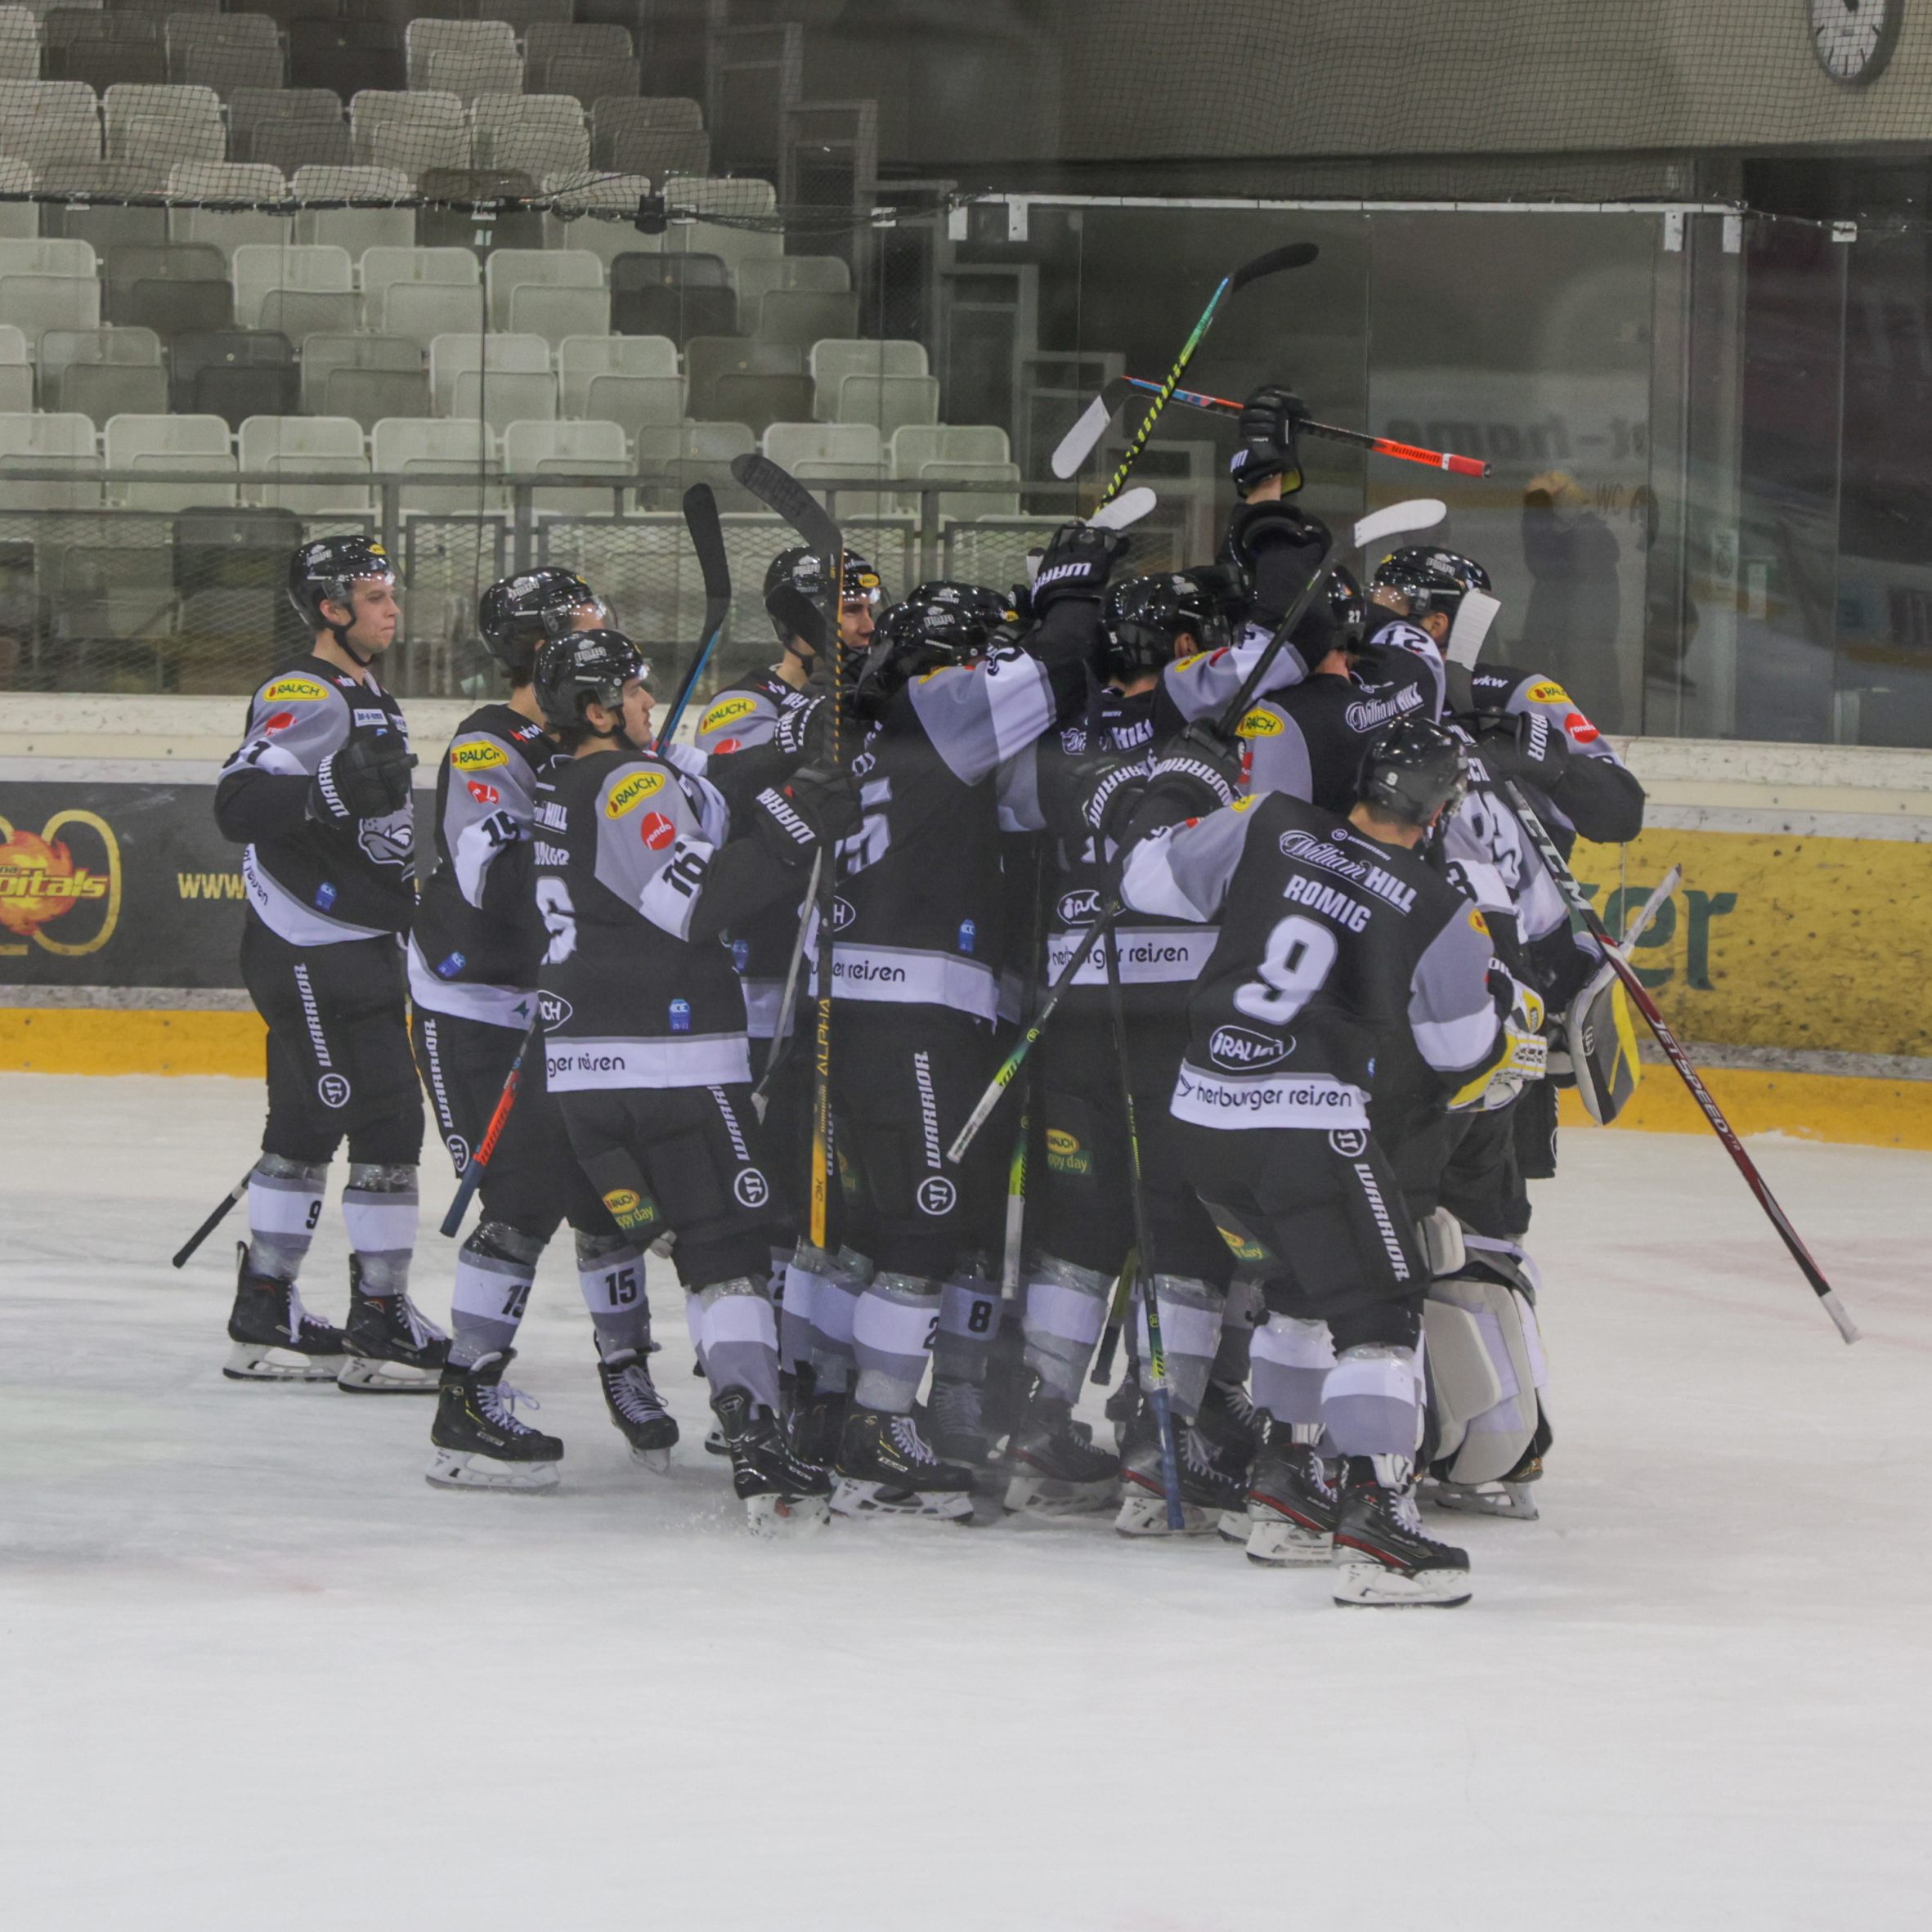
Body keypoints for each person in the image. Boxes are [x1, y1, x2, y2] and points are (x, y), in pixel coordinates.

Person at [1112, 717, 1531, 1607]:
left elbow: (1144, 876)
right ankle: (1379, 1523)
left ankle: (1286, 1487)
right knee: (1379, 1308)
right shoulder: (1435, 906)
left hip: (1199, 1115)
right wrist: (1505, 1012)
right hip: (1307, 1124)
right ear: (1442, 807)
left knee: (1298, 1292)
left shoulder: (1267, 820)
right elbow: (1462, 1053)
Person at [530, 626, 860, 1530]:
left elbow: (713, 784)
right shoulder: (628, 781)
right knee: (726, 1256)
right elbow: (701, 900)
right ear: (599, 711)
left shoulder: (564, 785)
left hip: (586, 1078)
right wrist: (797, 828)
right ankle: (758, 1447)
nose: (649, 703)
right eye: (634, 693)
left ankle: (630, 1373)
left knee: (650, 1238)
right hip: (668, 1065)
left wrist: (791, 762)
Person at [410, 570, 680, 1491]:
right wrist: (581, 799)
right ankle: (469, 1391)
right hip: (478, 1007)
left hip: (561, 1007)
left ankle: (626, 1366)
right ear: (540, 647)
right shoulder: (490, 744)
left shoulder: (587, 739)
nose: (603, 628)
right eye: (582, 622)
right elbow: (491, 877)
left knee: (611, 1195)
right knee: (522, 1195)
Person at [213, 537, 446, 1391]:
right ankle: (370, 1319)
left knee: (332, 1124)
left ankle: (271, 1310)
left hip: (353, 942)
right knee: (379, 1118)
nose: (392, 608)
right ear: (329, 607)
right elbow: (237, 803)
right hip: (310, 946)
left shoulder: (361, 686)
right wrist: (327, 794)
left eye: (391, 593)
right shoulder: (302, 689)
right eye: (375, 595)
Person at [693, 549, 882, 1425]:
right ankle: (758, 1370)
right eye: (847, 610)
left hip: (842, 977)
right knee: (763, 1186)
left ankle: (812, 1370)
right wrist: (795, 737)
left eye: (869, 608)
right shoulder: (742, 703)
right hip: (760, 982)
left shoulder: (867, 700)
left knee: (833, 1190)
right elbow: (717, 797)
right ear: (799, 623)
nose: (865, 624)